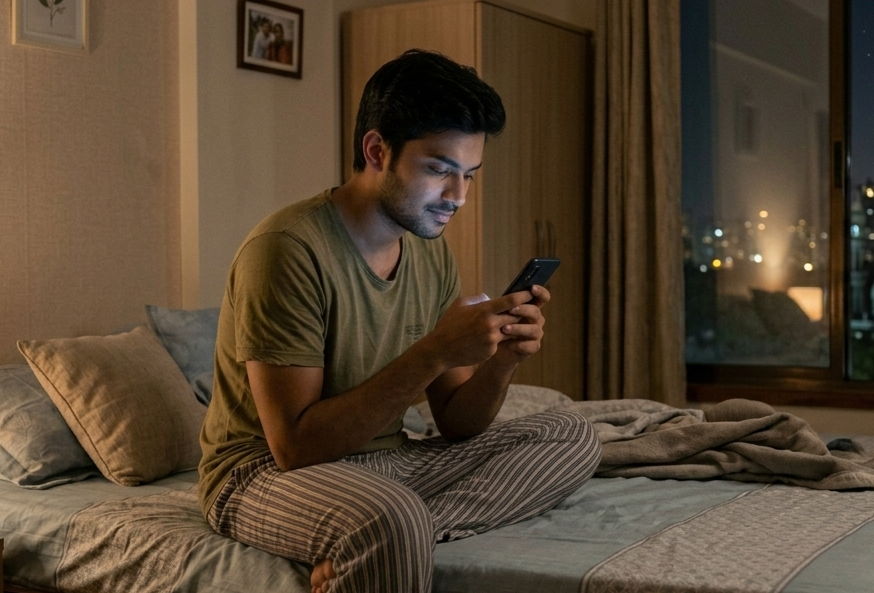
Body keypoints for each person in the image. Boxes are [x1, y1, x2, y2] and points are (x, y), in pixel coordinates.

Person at [198, 49, 600, 593]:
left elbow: (456, 422)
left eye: (469, 176)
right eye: (439, 170)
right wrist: (436, 351)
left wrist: (503, 360)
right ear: (377, 151)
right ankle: (392, 530)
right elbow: (295, 447)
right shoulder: (286, 250)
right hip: (261, 475)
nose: (458, 197)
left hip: (386, 463)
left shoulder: (429, 250)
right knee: (392, 516)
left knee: (571, 435)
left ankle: (397, 535)